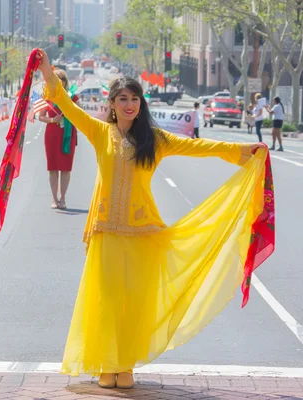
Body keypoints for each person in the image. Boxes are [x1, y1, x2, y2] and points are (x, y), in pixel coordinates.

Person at [35, 49, 267, 389]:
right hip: (106, 232)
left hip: (143, 232)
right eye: (123, 99)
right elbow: (66, 106)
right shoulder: (101, 133)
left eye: (135, 99)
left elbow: (198, 146)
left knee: (133, 302)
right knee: (107, 299)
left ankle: (125, 364)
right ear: (112, 104)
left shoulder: (154, 140)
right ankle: (106, 363)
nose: (130, 104)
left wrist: (243, 152)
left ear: (141, 104)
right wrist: (46, 72)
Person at [38, 69, 78, 210]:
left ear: (66, 82)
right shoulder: (48, 97)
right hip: (52, 135)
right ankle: (55, 199)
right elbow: (41, 116)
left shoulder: (73, 97)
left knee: (66, 168)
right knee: (53, 168)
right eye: (57, 78)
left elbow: (79, 116)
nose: (60, 81)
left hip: (67, 135)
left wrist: (69, 114)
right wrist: (53, 119)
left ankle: (63, 198)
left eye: (63, 79)